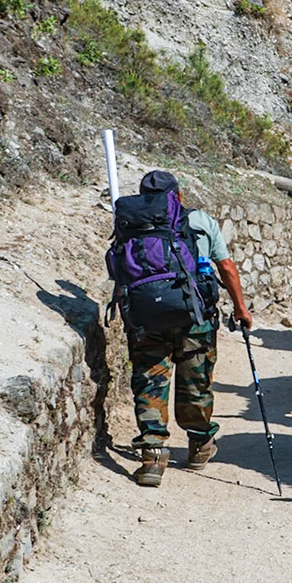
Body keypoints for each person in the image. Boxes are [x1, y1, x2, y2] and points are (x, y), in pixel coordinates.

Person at [120, 171, 252, 487]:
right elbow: (227, 267)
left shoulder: (131, 223)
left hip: (147, 317)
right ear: (177, 196)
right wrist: (241, 308)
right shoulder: (201, 221)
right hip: (196, 317)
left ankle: (152, 456)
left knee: (150, 381)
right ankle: (199, 446)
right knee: (196, 382)